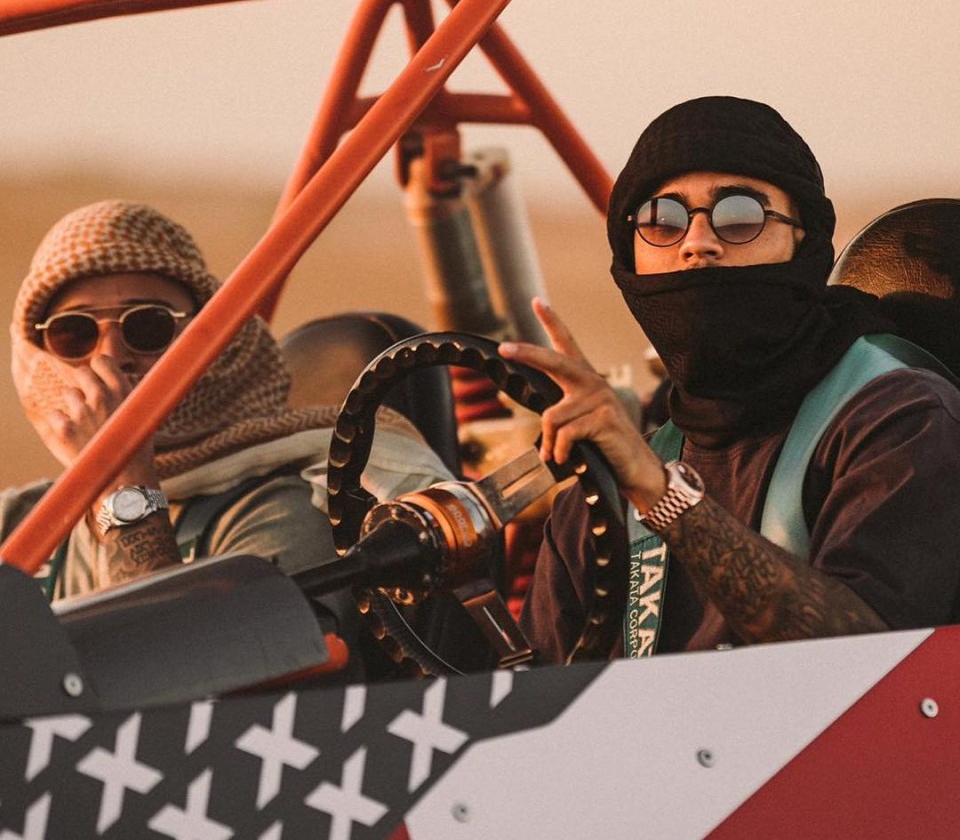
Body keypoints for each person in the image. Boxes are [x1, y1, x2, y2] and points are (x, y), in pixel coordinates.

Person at [499, 96, 960, 662]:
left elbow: (867, 668)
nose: (697, 242)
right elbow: (537, 717)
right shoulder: (593, 506)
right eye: (662, 220)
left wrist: (661, 494)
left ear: (804, 239)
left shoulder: (898, 420)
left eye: (739, 215)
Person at [2, 200, 453, 613]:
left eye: (148, 325)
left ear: (210, 342)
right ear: (38, 353)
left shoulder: (282, 510)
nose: (111, 356)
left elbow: (179, 679)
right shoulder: (16, 522)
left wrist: (121, 478)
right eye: (74, 334)